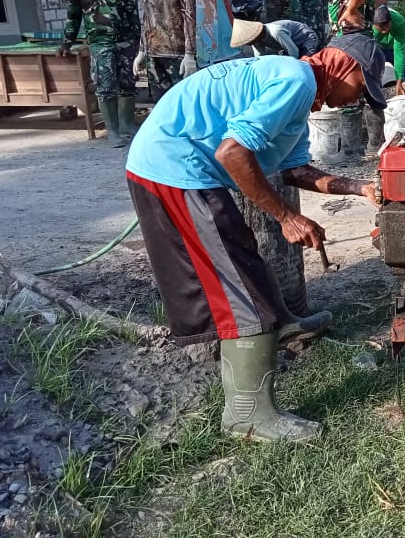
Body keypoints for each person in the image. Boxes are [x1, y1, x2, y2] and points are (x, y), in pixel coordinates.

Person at [125, 42, 385, 443]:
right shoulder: (296, 81)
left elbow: (295, 170)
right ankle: (247, 417)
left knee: (242, 260)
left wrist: (358, 187)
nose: (357, 100)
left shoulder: (296, 95)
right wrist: (287, 217)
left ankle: (283, 325)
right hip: (174, 169)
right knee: (237, 292)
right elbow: (232, 153)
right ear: (341, 64)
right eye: (361, 87)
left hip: (185, 167)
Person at [59, 0, 141, 147]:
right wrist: (67, 43)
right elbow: (73, 17)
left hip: (125, 41)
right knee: (105, 86)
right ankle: (113, 131)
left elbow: (132, 12)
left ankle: (127, 125)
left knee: (128, 83)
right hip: (100, 43)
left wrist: (139, 41)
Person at [328, 32, 389, 156]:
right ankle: (372, 148)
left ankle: (350, 152)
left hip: (359, 54)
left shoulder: (333, 54)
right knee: (369, 98)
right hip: (367, 52)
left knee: (352, 102)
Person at [230, 19, 323, 59]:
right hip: (290, 44)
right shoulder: (256, 42)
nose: (249, 45)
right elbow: (260, 59)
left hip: (306, 38)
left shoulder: (276, 31)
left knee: (307, 62)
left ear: (253, 36)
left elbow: (294, 53)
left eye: (248, 42)